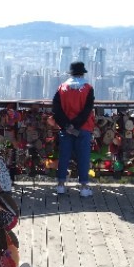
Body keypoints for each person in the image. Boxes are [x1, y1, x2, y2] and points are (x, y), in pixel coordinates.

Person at [52, 61, 95, 196]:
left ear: (70, 74)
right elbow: (87, 110)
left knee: (64, 156)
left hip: (65, 129)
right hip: (83, 128)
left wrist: (67, 125)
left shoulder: (61, 88)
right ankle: (83, 187)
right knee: (83, 157)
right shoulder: (88, 88)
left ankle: (60, 185)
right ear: (82, 74)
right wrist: (75, 124)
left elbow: (56, 110)